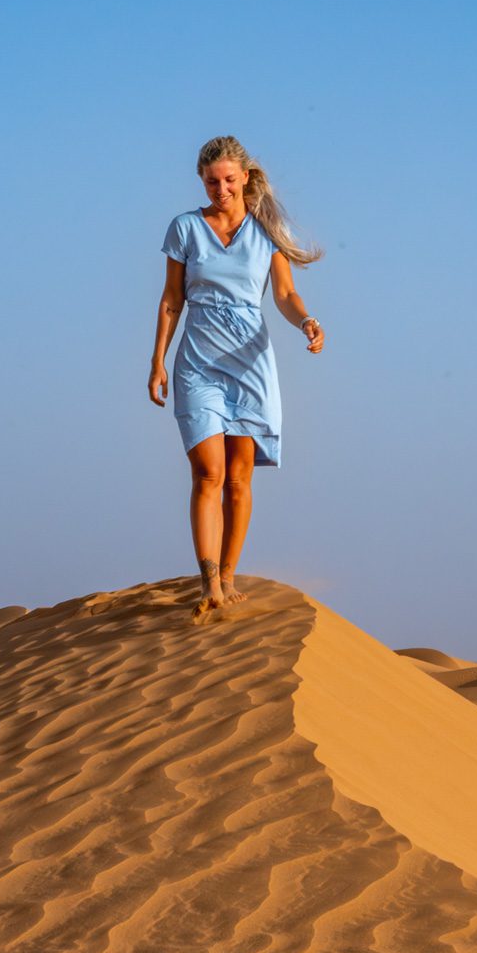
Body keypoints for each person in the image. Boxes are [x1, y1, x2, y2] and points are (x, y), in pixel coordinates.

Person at [148, 135, 324, 614]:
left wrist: (305, 320)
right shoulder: (185, 228)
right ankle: (208, 582)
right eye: (211, 181)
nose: (220, 189)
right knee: (209, 472)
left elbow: (285, 294)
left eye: (228, 180)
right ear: (201, 182)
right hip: (198, 363)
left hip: (249, 364)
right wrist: (157, 361)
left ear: (245, 177)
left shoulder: (267, 229)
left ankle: (228, 575)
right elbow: (171, 299)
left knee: (240, 478)